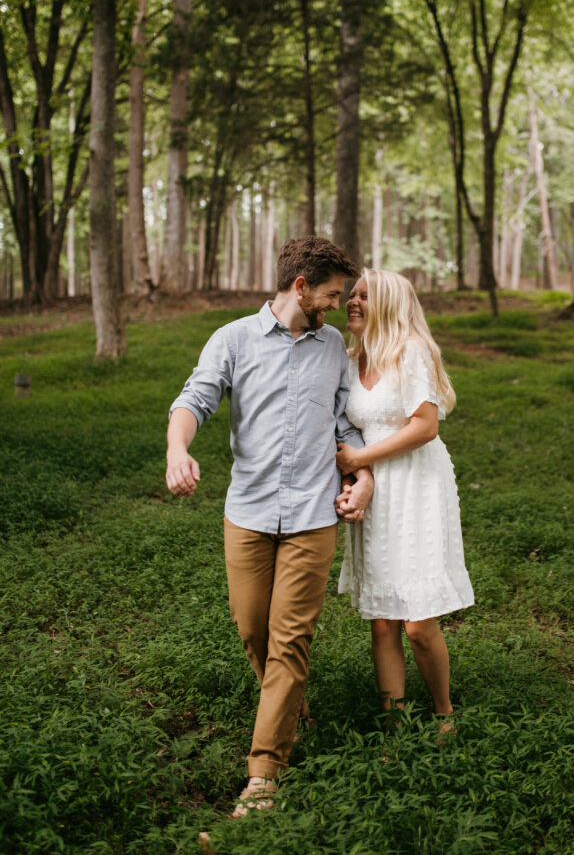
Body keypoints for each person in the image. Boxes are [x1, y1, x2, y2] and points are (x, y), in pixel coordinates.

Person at [166, 237, 373, 819]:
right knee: (252, 627)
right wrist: (177, 450)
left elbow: (344, 424)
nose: (337, 306)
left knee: (289, 640)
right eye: (331, 295)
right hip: (249, 512)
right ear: (301, 286)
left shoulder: (334, 346)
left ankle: (264, 774)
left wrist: (363, 474)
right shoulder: (232, 339)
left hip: (312, 514)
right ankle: (289, 706)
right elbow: (195, 398)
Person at [335, 269, 474, 731]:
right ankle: (395, 726)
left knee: (417, 621)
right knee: (382, 619)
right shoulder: (350, 355)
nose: (351, 301)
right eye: (351, 294)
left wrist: (360, 456)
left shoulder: (410, 351)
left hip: (416, 484)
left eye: (364, 296)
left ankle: (442, 712)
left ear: (391, 305)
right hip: (374, 487)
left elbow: (425, 426)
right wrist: (358, 474)